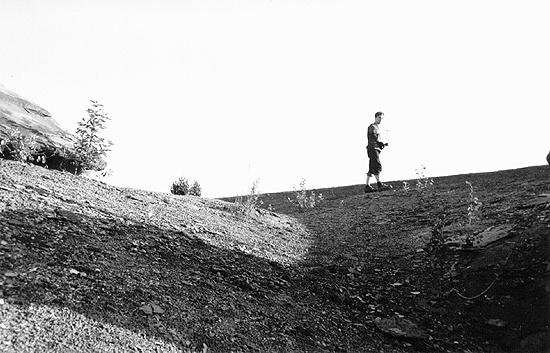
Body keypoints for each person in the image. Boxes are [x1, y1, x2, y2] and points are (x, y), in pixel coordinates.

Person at [365, 111, 391, 193]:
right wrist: (381, 143)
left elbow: (376, 138)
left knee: (372, 166)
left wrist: (382, 144)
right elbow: (373, 136)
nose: (380, 119)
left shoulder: (376, 127)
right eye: (379, 117)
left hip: (373, 148)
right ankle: (379, 184)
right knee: (377, 165)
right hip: (373, 148)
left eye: (382, 118)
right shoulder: (372, 126)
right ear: (375, 117)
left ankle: (367, 186)